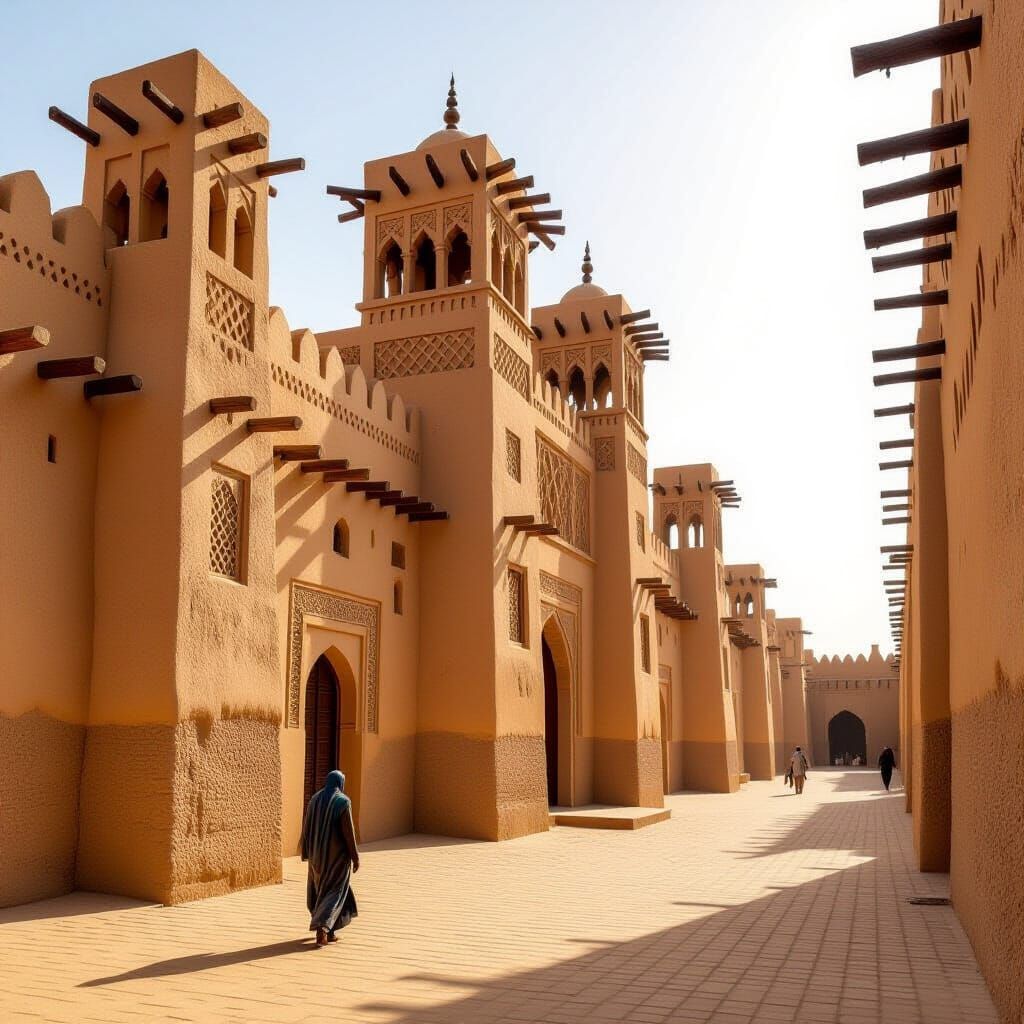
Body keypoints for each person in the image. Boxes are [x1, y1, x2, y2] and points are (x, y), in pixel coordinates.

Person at [301, 769, 360, 947]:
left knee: (322, 892)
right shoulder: (342, 802)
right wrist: (355, 857)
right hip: (337, 859)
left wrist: (307, 852)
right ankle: (322, 929)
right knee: (335, 893)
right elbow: (348, 834)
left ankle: (331, 931)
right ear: (340, 783)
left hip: (316, 858)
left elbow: (306, 827)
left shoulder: (315, 799)